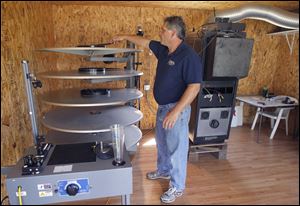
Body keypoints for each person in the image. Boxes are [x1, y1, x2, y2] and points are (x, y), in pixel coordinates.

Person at [112, 16, 202, 203]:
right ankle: (163, 171)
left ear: (173, 33)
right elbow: (145, 42)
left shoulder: (188, 56)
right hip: (163, 108)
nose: (160, 32)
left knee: (177, 149)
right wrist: (124, 36)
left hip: (176, 110)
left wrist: (176, 111)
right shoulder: (164, 50)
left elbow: (194, 87)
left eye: (163, 30)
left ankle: (177, 187)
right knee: (162, 143)